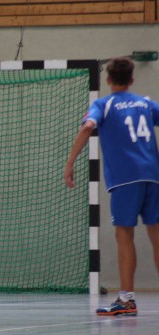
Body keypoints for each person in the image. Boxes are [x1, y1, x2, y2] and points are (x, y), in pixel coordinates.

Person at [64, 57, 159, 316]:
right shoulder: (146, 103)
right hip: (153, 175)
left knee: (124, 235)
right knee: (156, 234)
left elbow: (87, 127)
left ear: (108, 80)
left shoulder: (103, 105)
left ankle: (127, 299)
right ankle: (126, 299)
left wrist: (70, 162)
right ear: (131, 80)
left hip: (125, 179)